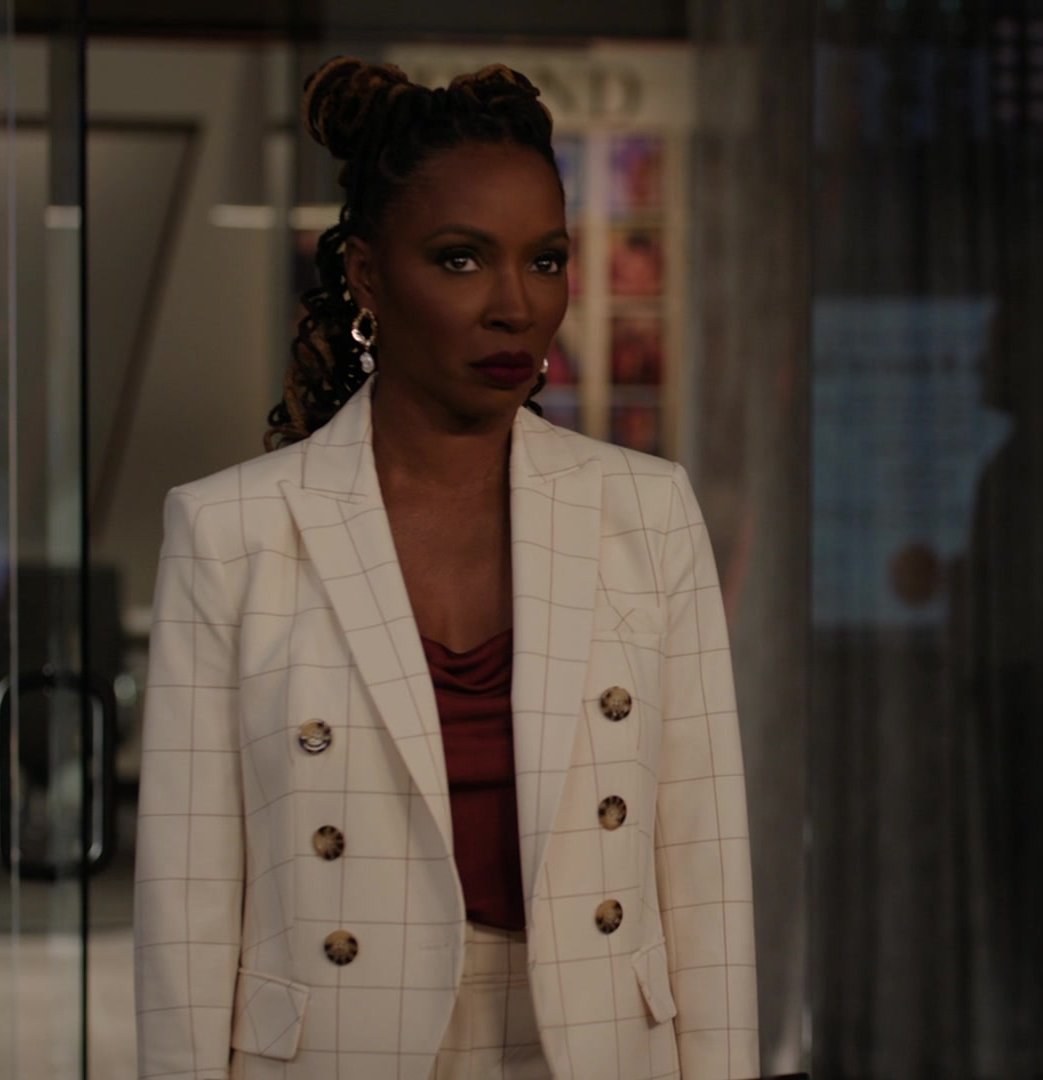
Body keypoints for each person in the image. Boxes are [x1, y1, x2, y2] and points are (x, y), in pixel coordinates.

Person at [133, 57, 759, 1079]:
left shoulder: (646, 512)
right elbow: (187, 901)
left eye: (545, 260)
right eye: (462, 259)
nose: (516, 305)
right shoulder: (231, 530)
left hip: (598, 1045)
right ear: (368, 276)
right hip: (339, 1050)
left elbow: (705, 868)